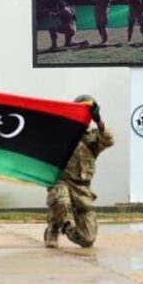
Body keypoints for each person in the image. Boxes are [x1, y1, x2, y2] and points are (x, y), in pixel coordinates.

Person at [44, 95, 114, 248]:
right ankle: (53, 228)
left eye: (88, 111)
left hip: (82, 188)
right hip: (62, 181)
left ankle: (65, 226)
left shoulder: (93, 136)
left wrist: (99, 121)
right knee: (62, 202)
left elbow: (108, 140)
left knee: (88, 239)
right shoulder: (63, 132)